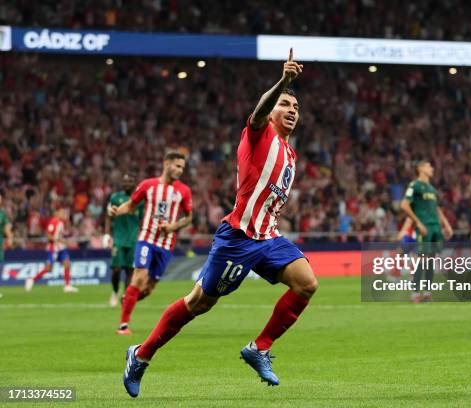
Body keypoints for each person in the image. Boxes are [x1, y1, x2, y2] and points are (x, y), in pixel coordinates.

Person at [122, 49, 317, 398]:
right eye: (285, 105)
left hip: (267, 235)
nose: (291, 111)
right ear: (272, 112)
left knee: (306, 284)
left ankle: (259, 348)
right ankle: (140, 354)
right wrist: (283, 82)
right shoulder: (259, 135)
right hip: (238, 237)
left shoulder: (290, 154)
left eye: (296, 108)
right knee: (199, 303)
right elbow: (258, 112)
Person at [109, 151, 193, 334]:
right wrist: (117, 211)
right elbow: (130, 205)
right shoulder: (148, 185)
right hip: (146, 239)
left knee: (147, 289)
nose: (180, 170)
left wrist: (173, 226)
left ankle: (128, 298)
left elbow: (188, 217)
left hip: (166, 244)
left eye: (182, 168)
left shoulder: (183, 191)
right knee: (139, 277)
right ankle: (123, 325)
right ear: (166, 164)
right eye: (177, 166)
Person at [401, 160, 453, 302]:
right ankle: (415, 293)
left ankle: (427, 292)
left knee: (431, 260)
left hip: (435, 227)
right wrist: (418, 222)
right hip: (424, 227)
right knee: (421, 259)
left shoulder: (431, 189)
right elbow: (404, 205)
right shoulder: (415, 185)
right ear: (421, 169)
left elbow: (437, 209)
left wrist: (446, 224)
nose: (432, 168)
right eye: (429, 166)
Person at [105, 174, 143, 307]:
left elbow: (143, 220)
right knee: (116, 270)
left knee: (129, 271)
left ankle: (125, 296)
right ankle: (115, 292)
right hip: (118, 239)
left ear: (134, 183)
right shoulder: (115, 197)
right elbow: (108, 215)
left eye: (130, 181)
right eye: (125, 181)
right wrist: (106, 234)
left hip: (133, 240)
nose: (127, 183)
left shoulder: (140, 200)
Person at [25, 208, 78, 292]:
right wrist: (59, 240)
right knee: (49, 268)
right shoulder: (53, 221)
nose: (63, 214)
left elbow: (60, 235)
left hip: (61, 248)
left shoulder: (61, 223)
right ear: (57, 213)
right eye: (62, 212)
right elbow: (48, 235)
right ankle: (32, 280)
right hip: (53, 248)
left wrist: (63, 240)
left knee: (67, 263)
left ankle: (67, 286)